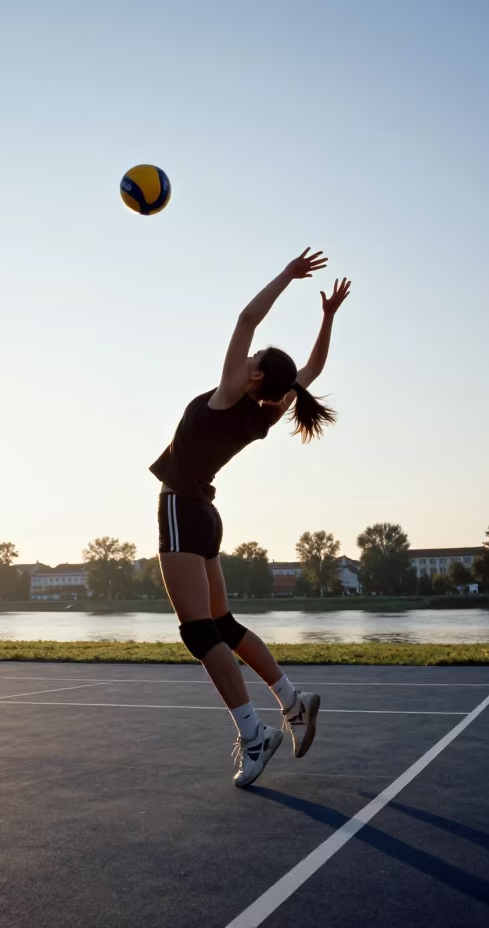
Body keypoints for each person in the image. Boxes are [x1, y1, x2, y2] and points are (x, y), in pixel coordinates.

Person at [150, 249, 351, 787]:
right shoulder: (266, 414)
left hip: (181, 507)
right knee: (224, 626)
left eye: (251, 359)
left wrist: (287, 276)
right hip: (207, 514)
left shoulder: (228, 397)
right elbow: (310, 372)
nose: (244, 358)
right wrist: (326, 318)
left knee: (198, 634)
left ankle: (253, 732)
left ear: (254, 373)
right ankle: (291, 701)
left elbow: (246, 319)